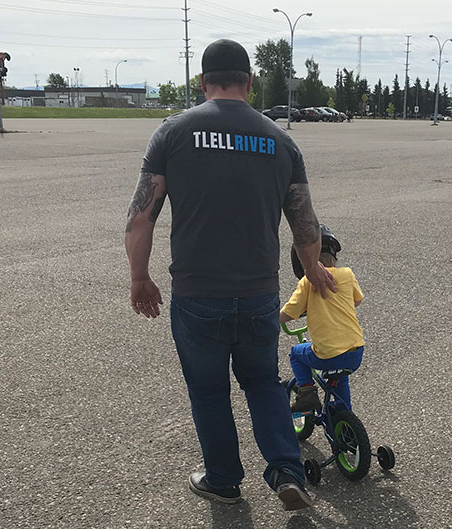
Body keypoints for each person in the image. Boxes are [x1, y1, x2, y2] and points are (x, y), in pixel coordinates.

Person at [124, 38, 335, 511]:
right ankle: (286, 469)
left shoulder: (173, 133)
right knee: (262, 382)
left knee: (209, 390)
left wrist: (139, 277)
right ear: (251, 83)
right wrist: (313, 268)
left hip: (198, 295)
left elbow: (141, 217)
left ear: (202, 83)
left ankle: (222, 479)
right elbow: (305, 223)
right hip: (259, 293)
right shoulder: (281, 141)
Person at [280, 225, 365, 413]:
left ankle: (308, 393)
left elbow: (290, 312)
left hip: (327, 354)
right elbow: (356, 300)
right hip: (355, 352)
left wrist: (271, 319)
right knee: (340, 377)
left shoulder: (307, 282)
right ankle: (345, 418)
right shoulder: (347, 274)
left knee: (296, 354)